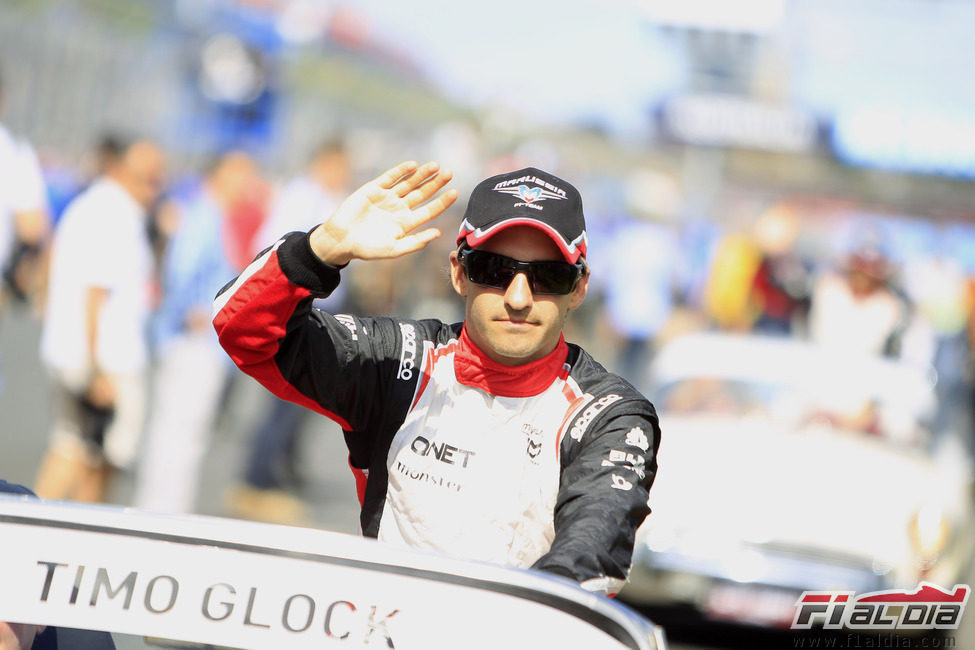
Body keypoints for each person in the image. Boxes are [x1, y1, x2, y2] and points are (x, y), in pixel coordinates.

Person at [212, 161, 660, 595]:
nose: (519, 297)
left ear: (579, 288)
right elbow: (241, 330)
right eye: (495, 271)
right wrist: (319, 250)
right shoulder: (402, 362)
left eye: (549, 276)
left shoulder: (609, 416)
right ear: (459, 273)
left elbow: (591, 556)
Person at [225, 139, 353, 524]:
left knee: (303, 401)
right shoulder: (301, 197)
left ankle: (279, 471)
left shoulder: (325, 196)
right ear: (324, 161)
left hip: (317, 310)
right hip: (296, 311)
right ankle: (256, 481)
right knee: (284, 401)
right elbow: (270, 250)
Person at [34, 138, 166, 504]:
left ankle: (33, 529)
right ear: (122, 171)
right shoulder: (115, 214)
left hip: (74, 350)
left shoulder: (92, 205)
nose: (155, 189)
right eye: (149, 179)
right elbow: (94, 293)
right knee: (100, 458)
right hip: (106, 359)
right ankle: (79, 541)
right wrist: (97, 370)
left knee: (71, 445)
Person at [132, 151, 260, 514]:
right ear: (219, 175)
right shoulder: (204, 215)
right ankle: (161, 515)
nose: (246, 185)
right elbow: (180, 272)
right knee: (178, 437)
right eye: (240, 175)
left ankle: (164, 511)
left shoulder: (215, 215)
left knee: (183, 436)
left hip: (201, 343)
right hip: (194, 344)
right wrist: (191, 313)